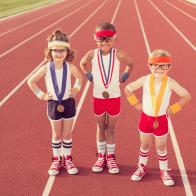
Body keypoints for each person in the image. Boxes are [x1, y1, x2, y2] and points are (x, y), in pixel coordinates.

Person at [124, 49, 191, 186]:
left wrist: (174, 108)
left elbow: (186, 96)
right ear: (149, 65)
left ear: (169, 67)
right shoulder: (145, 79)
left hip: (161, 120)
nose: (159, 69)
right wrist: (135, 103)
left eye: (164, 66)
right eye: (156, 65)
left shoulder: (170, 82)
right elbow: (128, 89)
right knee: (145, 144)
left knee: (161, 146)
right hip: (145, 118)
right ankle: (142, 167)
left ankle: (164, 170)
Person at [80, 22, 134, 174]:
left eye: (109, 39)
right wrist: (88, 75)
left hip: (114, 97)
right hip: (98, 97)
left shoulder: (119, 54)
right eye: (101, 39)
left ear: (115, 38)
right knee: (100, 127)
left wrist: (125, 76)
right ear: (95, 39)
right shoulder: (92, 54)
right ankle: (101, 156)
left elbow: (131, 64)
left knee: (111, 128)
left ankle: (110, 157)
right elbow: (82, 64)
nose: (105, 42)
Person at [27, 30, 83, 176]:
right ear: (50, 51)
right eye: (55, 50)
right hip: (53, 104)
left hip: (68, 103)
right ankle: (57, 159)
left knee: (67, 133)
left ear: (67, 51)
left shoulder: (70, 67)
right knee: (57, 135)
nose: (59, 53)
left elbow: (79, 78)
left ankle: (68, 159)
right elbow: (31, 81)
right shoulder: (46, 68)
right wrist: (41, 94)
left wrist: (76, 89)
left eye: (62, 50)